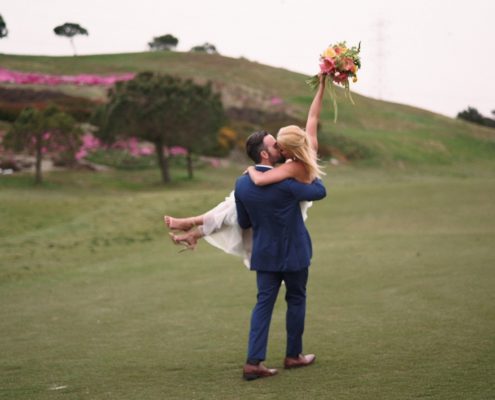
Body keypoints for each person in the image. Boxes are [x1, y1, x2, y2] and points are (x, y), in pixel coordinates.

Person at [165, 74, 327, 264]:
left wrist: (250, 170)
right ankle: (193, 232)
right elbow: (313, 116)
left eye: (280, 146)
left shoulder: (291, 168)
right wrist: (322, 86)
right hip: (292, 196)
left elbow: (260, 180)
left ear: (289, 149)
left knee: (235, 203)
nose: (278, 149)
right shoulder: (310, 148)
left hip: (294, 205)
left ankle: (191, 224)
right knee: (233, 203)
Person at [235, 129, 326, 380]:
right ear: (265, 154)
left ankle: (253, 362)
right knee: (296, 299)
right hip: (294, 252)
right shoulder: (288, 182)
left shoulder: (242, 183)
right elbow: (320, 192)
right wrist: (306, 166)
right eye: (275, 145)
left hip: (264, 254)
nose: (280, 148)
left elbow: (243, 222)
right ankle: (293, 356)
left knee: (263, 304)